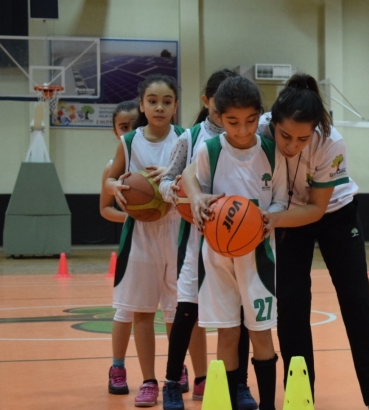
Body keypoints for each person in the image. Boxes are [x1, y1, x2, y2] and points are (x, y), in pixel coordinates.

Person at [261, 74, 369, 410]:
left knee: (356, 301)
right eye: (285, 136)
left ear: (316, 130)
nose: (292, 146)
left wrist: (272, 220)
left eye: (302, 139)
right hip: (288, 215)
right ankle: (300, 395)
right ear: (273, 122)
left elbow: (317, 209)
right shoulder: (260, 129)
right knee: (291, 306)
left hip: (335, 214)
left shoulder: (331, 142)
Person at [158, 68, 258, 410]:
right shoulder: (192, 137)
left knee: (241, 315)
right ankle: (172, 382)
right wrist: (177, 193)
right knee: (186, 311)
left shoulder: (252, 139)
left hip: (238, 240)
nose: (224, 113)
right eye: (219, 106)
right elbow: (169, 179)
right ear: (209, 102)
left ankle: (240, 384)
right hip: (196, 239)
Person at [182, 76, 280, 410]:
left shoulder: (270, 149)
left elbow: (280, 201)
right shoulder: (209, 149)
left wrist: (268, 218)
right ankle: (227, 402)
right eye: (233, 122)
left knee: (261, 332)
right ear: (218, 117)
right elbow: (189, 177)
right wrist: (196, 198)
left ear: (259, 116)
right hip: (218, 254)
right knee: (226, 333)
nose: (242, 130)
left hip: (260, 254)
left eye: (250, 121)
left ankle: (267, 404)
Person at [105, 74, 184, 407]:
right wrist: (113, 187)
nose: (159, 107)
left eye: (167, 101)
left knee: (176, 310)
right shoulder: (130, 141)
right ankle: (148, 380)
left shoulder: (185, 138)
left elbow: (194, 177)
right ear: (142, 105)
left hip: (176, 227)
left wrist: (169, 175)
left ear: (175, 106)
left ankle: (174, 372)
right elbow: (111, 177)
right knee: (140, 311)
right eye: (152, 101)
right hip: (139, 233)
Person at [101, 100, 142, 396]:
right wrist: (132, 214)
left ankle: (176, 366)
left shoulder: (154, 158)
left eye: (132, 125)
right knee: (125, 310)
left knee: (172, 308)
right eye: (122, 127)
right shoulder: (112, 168)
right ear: (115, 131)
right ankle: (117, 366)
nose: (128, 130)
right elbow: (105, 209)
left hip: (164, 240)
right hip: (133, 240)